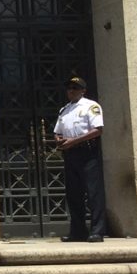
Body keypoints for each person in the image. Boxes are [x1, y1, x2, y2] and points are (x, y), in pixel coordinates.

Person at [54, 76, 107, 243]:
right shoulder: (64, 110)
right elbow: (58, 130)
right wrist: (58, 139)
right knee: (73, 194)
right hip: (70, 154)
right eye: (69, 88)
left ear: (83, 90)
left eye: (75, 88)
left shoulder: (91, 106)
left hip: (87, 152)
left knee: (93, 193)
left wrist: (74, 141)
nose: (71, 91)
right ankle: (77, 231)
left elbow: (98, 130)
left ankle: (97, 231)